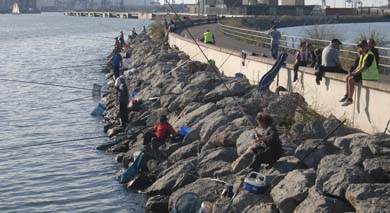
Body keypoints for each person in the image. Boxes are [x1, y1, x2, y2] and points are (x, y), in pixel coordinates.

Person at [340, 40, 379, 106]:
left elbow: (365, 67)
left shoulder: (370, 55)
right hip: (365, 74)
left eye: (363, 46)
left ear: (367, 46)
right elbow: (359, 66)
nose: (361, 48)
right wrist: (352, 72)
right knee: (347, 77)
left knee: (351, 79)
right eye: (360, 47)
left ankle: (350, 99)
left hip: (370, 75)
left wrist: (355, 74)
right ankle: (347, 95)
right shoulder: (363, 55)